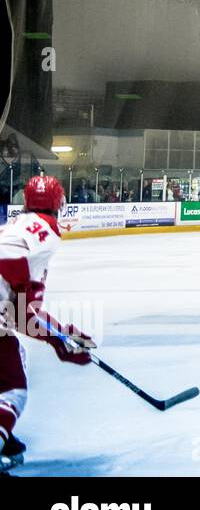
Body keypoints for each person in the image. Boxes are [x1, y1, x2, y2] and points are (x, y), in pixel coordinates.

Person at [0, 175, 97, 473]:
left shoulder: (15, 225)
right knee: (13, 389)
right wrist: (61, 339)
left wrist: (61, 337)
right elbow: (23, 315)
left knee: (16, 358)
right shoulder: (48, 233)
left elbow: (19, 313)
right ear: (59, 204)